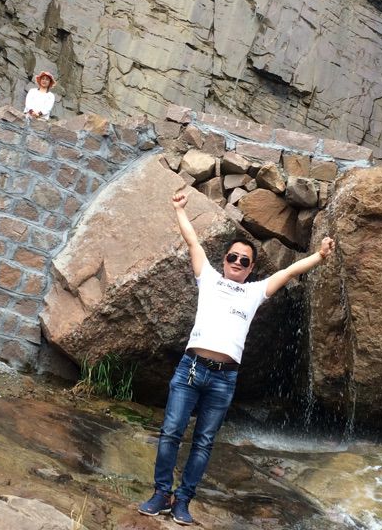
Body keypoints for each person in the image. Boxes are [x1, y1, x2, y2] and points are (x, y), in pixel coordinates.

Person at [138, 190, 336, 525]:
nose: (238, 263)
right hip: (191, 370)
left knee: (203, 442)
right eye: (233, 257)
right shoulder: (209, 278)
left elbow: (289, 272)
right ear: (225, 259)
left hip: (223, 378)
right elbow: (192, 242)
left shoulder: (254, 292)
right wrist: (179, 210)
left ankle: (183, 500)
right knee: (171, 431)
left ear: (251, 268)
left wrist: (319, 255)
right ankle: (161, 493)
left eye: (245, 261)